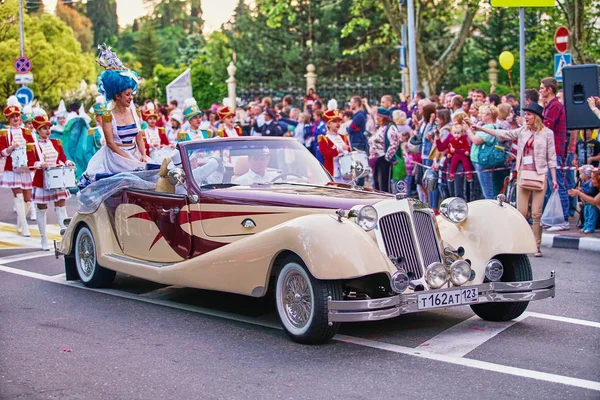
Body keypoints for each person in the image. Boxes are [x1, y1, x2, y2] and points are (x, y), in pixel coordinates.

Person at [466, 102, 558, 257]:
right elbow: (503, 134)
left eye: (528, 115)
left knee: (536, 213)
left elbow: (552, 157)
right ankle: (520, 244)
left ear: (536, 117)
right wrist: (479, 127)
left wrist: (554, 179)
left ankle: (537, 246)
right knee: (521, 212)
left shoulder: (547, 133)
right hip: (523, 174)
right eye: (525, 114)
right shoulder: (522, 131)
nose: (525, 117)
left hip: (540, 175)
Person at [83, 46, 147, 181]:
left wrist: (143, 154)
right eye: (127, 94)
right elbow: (111, 144)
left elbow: (139, 137)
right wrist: (127, 159)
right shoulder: (107, 116)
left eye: (131, 94)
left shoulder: (136, 112)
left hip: (134, 155)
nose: (131, 98)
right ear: (117, 96)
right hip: (115, 158)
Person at [30, 114, 75, 250]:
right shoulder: (33, 146)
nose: (47, 130)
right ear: (38, 131)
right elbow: (29, 163)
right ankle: (43, 238)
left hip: (57, 178)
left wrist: (67, 162)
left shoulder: (56, 142)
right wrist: (39, 164)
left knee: (61, 207)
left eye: (48, 128)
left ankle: (65, 235)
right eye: (44, 128)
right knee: (41, 209)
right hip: (41, 180)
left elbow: (62, 158)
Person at [0, 96, 36, 237]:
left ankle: (20, 224)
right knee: (19, 197)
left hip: (26, 169)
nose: (16, 118)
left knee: (28, 200)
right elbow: (2, 152)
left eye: (17, 116)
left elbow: (33, 148)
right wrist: (11, 148)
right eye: (12, 117)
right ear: (8, 119)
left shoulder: (26, 132)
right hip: (13, 169)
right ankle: (25, 227)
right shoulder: (4, 133)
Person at [540, 77, 569, 231]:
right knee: (552, 185)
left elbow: (546, 127)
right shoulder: (549, 106)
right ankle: (555, 217)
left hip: (554, 151)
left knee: (558, 184)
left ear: (549, 89)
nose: (540, 91)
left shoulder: (554, 107)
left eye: (542, 88)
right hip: (551, 151)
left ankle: (563, 219)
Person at [368, 108, 400, 193]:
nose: (376, 118)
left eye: (377, 116)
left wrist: (387, 158)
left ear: (381, 117)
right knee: (377, 186)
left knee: (384, 186)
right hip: (376, 161)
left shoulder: (390, 128)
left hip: (383, 160)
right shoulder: (380, 128)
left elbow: (394, 143)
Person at [318, 109, 350, 183]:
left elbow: (349, 154)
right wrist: (339, 149)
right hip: (333, 173)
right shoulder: (324, 139)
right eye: (335, 121)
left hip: (346, 173)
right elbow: (327, 155)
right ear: (328, 124)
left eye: (339, 121)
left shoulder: (343, 137)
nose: (338, 123)